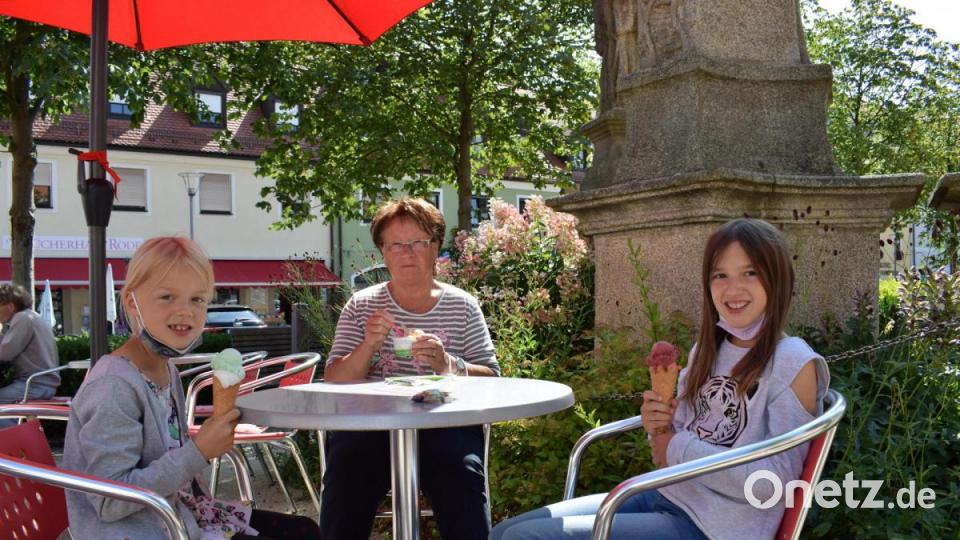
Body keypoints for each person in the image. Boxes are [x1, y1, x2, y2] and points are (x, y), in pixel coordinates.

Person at [491, 218, 830, 540]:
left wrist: (677, 446)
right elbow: (669, 450)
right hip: (667, 493)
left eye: (750, 273)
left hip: (716, 526)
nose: (732, 288)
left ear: (778, 279)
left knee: (524, 537)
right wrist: (660, 424)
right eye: (720, 275)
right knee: (505, 531)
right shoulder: (708, 350)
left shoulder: (792, 362)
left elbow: (772, 486)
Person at [63, 237, 320, 540]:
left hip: (180, 516)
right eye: (167, 297)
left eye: (197, 299)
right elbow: (111, 501)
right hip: (138, 531)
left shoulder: (166, 369)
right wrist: (198, 452)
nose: (185, 311)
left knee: (304, 530)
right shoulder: (113, 386)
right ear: (132, 302)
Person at [322, 197, 499, 540]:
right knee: (346, 472)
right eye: (396, 245)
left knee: (461, 474)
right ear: (383, 251)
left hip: (446, 424)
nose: (407, 253)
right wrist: (368, 345)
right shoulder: (362, 305)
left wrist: (449, 364)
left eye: (418, 242)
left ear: (436, 247)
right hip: (370, 426)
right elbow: (334, 378)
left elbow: (492, 376)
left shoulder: (463, 306)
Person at [0, 282, 60, 428]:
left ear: (10, 306)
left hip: (34, 385)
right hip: (41, 383)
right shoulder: (31, 316)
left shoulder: (22, 319)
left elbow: (5, 353)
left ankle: (17, 435)